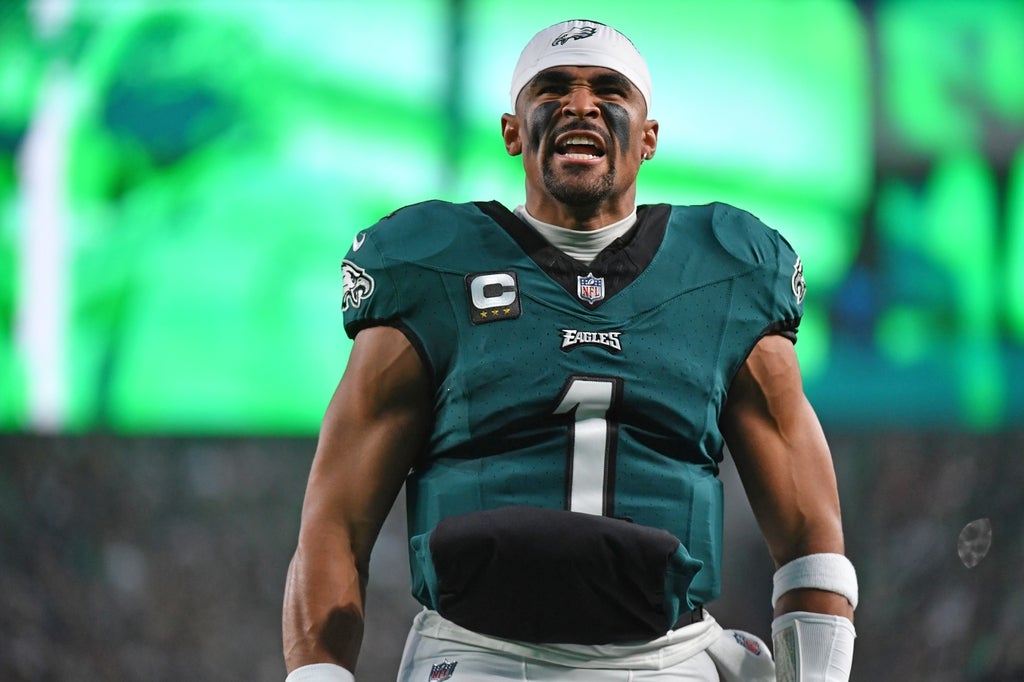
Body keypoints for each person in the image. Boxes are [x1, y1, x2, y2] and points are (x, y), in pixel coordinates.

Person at [282, 19, 856, 682]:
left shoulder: (727, 271)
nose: (580, 105)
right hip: (478, 657)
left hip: (670, 661)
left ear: (648, 138)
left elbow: (810, 536)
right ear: (511, 131)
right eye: (552, 89)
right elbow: (335, 522)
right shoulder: (431, 265)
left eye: (609, 90)